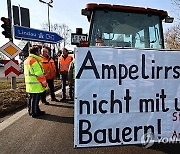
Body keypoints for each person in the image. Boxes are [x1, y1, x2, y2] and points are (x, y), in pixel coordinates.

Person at [24, 45, 47, 118]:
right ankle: (35, 113)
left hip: (30, 84)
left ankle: (32, 111)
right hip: (36, 84)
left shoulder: (27, 60)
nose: (40, 53)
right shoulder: (34, 60)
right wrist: (44, 84)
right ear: (36, 52)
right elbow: (39, 74)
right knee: (35, 100)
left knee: (31, 99)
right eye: (39, 51)